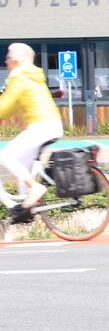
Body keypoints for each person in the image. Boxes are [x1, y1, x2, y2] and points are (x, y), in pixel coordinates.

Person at [0, 43, 64, 216]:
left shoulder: (19, 75)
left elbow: (5, 105)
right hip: (51, 125)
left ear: (17, 59)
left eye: (8, 56)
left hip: (41, 126)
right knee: (21, 168)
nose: (6, 60)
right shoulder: (31, 74)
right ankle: (24, 211)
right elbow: (13, 104)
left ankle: (34, 189)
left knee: (5, 157)